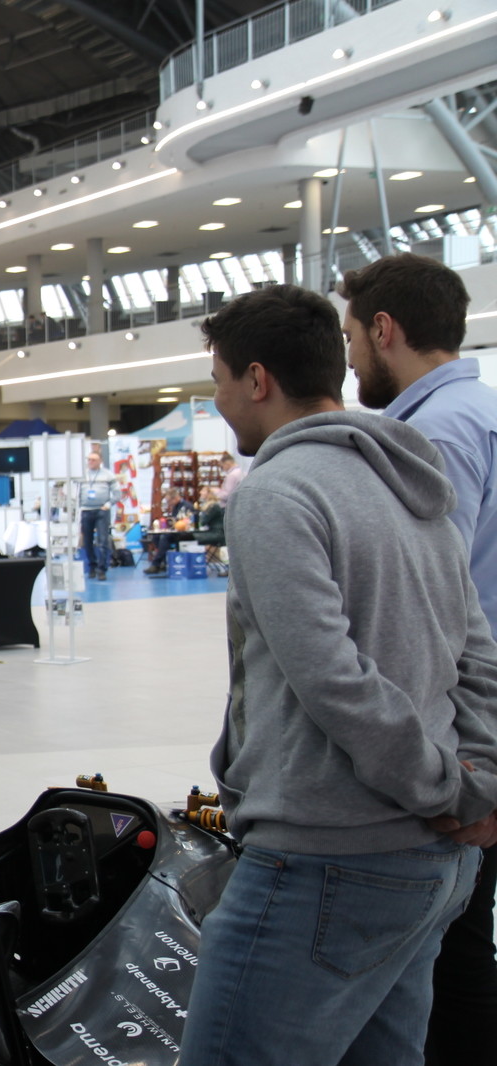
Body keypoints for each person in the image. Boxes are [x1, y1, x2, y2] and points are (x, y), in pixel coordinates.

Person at [179, 284, 497, 1065]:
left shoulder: (276, 494)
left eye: (219, 381)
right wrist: (480, 779)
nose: (218, 401)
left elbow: (333, 680)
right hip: (433, 869)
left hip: (326, 862)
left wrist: (445, 788)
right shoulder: (411, 482)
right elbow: (477, 654)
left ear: (258, 380)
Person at [340, 252, 497, 1065]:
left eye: (350, 338)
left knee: (448, 951)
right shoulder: (484, 411)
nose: (349, 360)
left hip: (466, 725)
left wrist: (452, 763)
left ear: (384, 329)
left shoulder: (429, 436)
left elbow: (433, 605)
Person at [78, 450, 118, 580]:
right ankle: (92, 566)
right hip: (86, 510)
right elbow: (74, 491)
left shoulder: (108, 475)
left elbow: (117, 493)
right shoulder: (82, 475)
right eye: (89, 459)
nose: (90, 462)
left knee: (103, 541)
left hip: (101, 511)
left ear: (100, 461)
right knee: (87, 541)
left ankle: (102, 569)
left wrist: (108, 504)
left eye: (93, 459)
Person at [141, 487, 190, 574]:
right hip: (175, 531)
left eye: (169, 501)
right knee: (156, 537)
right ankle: (163, 562)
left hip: (185, 533)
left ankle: (156, 564)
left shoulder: (186, 506)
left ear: (175, 498)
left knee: (165, 538)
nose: (168, 504)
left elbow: (186, 521)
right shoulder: (175, 507)